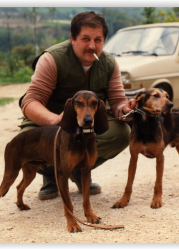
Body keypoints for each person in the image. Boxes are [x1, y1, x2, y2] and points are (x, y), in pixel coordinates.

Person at [18, 11, 136, 200]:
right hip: (50, 123)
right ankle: (51, 176)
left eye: (98, 40)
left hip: (87, 122)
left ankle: (80, 171)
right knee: (25, 140)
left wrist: (125, 109)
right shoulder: (52, 59)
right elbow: (30, 101)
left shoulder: (110, 64)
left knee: (122, 134)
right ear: (73, 38)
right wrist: (56, 120)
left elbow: (117, 102)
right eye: (85, 39)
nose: (92, 46)